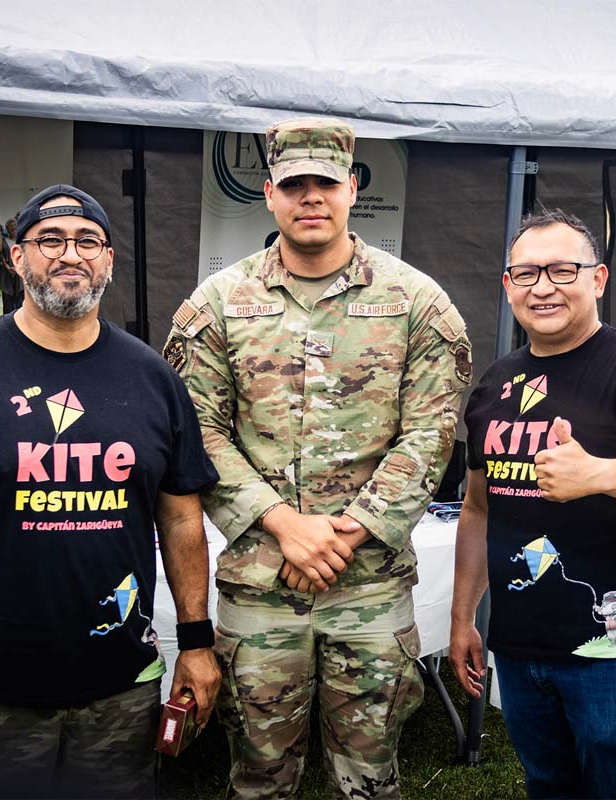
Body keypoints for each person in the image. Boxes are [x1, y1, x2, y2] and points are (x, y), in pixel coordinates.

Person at [0, 184, 222, 798]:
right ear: (16, 258)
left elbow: (181, 519)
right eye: (48, 240)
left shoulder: (154, 378)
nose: (69, 254)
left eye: (87, 241)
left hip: (122, 686)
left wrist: (198, 643)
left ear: (109, 260)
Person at [163, 118, 472, 799]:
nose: (311, 198)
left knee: (367, 780)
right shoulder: (216, 305)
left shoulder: (416, 303)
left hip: (367, 590)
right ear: (269, 193)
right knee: (259, 780)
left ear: (353, 189)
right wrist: (283, 524)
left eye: (326, 184)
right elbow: (198, 433)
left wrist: (349, 529)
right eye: (295, 184)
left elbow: (429, 435)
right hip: (260, 592)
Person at [451, 209, 616, 799]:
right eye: (527, 273)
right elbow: (478, 509)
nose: (544, 287)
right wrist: (461, 616)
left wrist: (595, 473)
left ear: (599, 279)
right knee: (548, 784)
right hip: (519, 638)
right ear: (507, 286)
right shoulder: (493, 384)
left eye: (563, 270)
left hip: (615, 643)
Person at [0, 215, 23, 314]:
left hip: (19, 272)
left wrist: (18, 267)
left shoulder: (21, 241)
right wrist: (7, 266)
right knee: (7, 299)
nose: (12, 227)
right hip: (7, 272)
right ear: (7, 229)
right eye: (10, 225)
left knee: (20, 299)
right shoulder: (4, 241)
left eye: (14, 225)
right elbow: (0, 254)